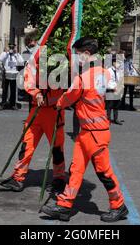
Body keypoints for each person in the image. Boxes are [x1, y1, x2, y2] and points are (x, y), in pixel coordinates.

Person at [42, 37, 129, 223]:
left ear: (87, 54)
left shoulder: (84, 78)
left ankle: (119, 206)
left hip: (94, 133)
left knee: (104, 173)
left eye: (78, 54)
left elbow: (68, 98)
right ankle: (64, 206)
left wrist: (57, 104)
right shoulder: (104, 73)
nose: (76, 58)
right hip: (89, 132)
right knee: (76, 170)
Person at [0, 63, 66, 194]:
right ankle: (18, 177)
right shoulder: (35, 61)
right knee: (26, 145)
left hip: (54, 111)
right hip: (36, 110)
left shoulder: (64, 63)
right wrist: (36, 93)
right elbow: (28, 79)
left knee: (56, 148)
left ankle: (59, 178)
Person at [0, 43, 24, 110]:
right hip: (6, 73)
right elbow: (0, 59)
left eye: (12, 48)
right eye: (10, 48)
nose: (11, 49)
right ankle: (3, 103)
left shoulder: (16, 55)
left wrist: (17, 54)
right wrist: (6, 52)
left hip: (14, 73)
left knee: (13, 90)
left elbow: (21, 62)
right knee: (5, 89)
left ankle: (12, 104)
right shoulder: (4, 54)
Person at [106, 54, 123, 125]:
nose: (119, 64)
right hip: (110, 90)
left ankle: (116, 119)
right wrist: (113, 88)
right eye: (117, 62)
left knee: (116, 106)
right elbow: (107, 81)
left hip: (117, 90)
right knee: (109, 106)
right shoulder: (108, 70)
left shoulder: (119, 71)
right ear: (113, 63)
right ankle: (108, 120)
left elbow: (120, 81)